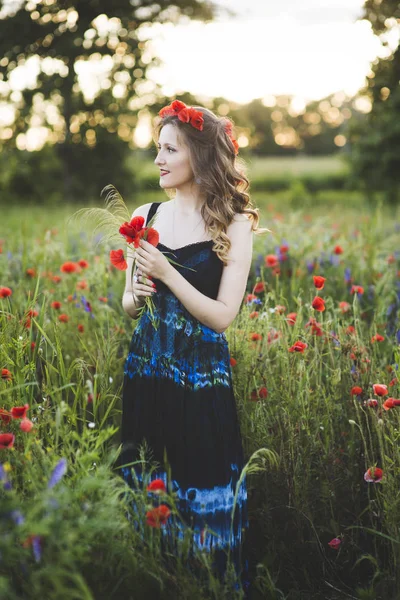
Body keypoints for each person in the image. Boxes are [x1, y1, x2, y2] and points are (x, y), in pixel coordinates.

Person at [118, 99, 267, 593]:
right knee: (149, 472)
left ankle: (208, 582)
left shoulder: (235, 221)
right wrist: (135, 292)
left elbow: (222, 317)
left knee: (201, 477)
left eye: (169, 150)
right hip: (148, 368)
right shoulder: (146, 213)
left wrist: (166, 274)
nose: (158, 160)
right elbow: (128, 306)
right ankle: (153, 578)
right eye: (156, 149)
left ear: (199, 157)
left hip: (201, 377)